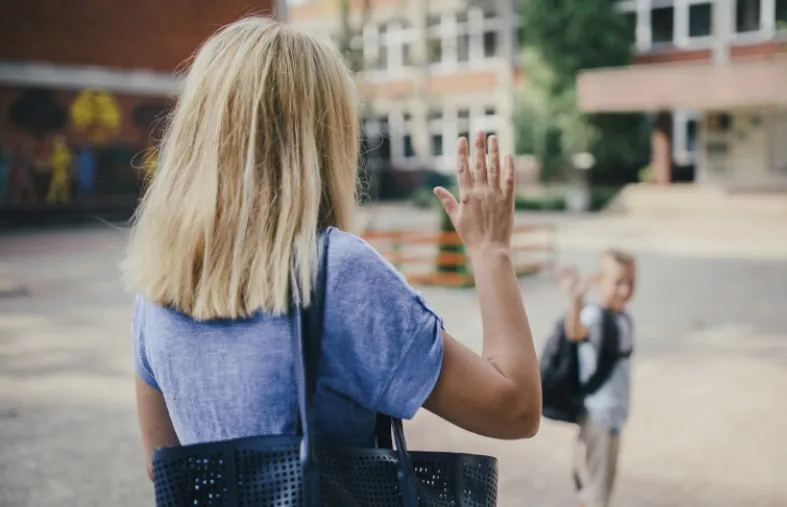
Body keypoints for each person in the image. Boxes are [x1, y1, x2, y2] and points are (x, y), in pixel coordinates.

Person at [121, 17, 541, 482]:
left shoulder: (156, 286)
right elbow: (515, 409)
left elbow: (168, 474)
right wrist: (491, 252)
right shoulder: (335, 275)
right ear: (321, 142)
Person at [558, 251, 637, 507]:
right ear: (599, 281)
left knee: (598, 490)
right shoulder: (594, 316)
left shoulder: (623, 318)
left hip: (614, 416)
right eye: (618, 282)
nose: (625, 290)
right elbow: (575, 330)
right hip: (598, 416)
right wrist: (576, 298)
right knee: (596, 495)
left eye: (630, 282)